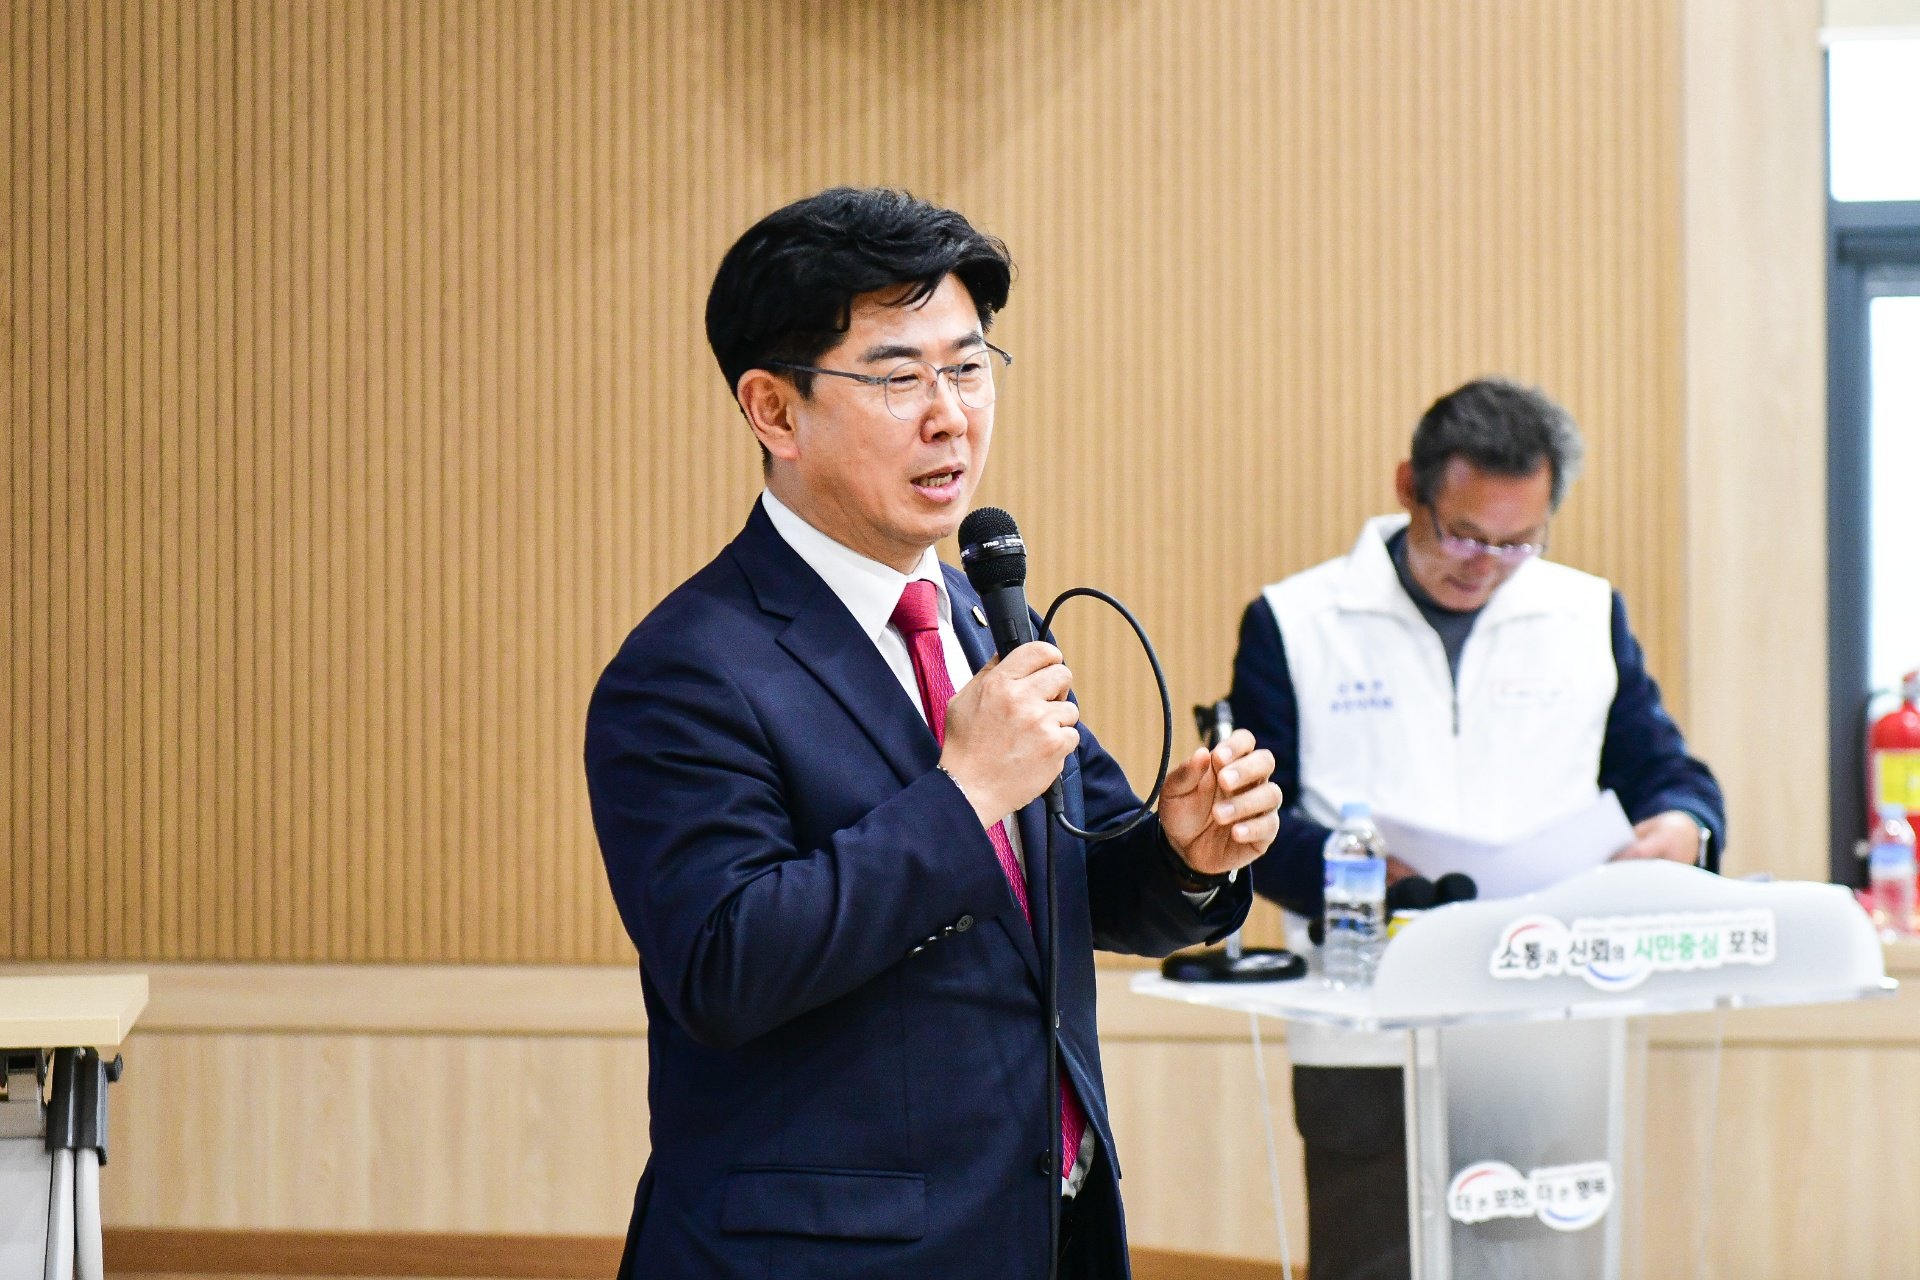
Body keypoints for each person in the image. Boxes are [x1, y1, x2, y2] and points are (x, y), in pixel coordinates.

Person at [586, 186, 1282, 1280]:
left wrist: (1184, 853)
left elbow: (1079, 889)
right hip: (818, 1259)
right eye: (899, 376)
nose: (950, 414)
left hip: (1039, 1230)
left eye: (968, 367)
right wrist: (963, 795)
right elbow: (724, 967)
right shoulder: (686, 667)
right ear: (773, 411)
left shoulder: (981, 614)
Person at [1226, 377, 1726, 1280]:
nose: (1484, 564)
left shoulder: (1584, 613)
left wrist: (1685, 827)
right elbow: (1256, 822)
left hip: (1546, 1027)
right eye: (1461, 534)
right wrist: (1365, 874)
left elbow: (1664, 772)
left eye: (1517, 542)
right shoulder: (1296, 621)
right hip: (1367, 1027)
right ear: (1407, 487)